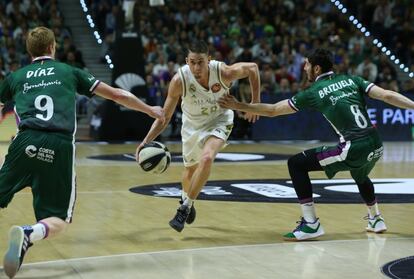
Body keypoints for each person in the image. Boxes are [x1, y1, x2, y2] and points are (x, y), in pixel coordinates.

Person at [0, 26, 164, 278]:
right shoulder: (69, 72)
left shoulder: (15, 77)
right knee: (58, 220)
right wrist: (149, 110)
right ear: (53, 47)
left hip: (24, 141)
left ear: (28, 51)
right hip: (59, 147)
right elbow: (117, 95)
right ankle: (30, 234)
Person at [218, 48, 414, 241]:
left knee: (296, 164)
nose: (304, 68)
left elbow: (274, 110)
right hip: (376, 144)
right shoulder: (352, 79)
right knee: (359, 173)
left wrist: (238, 105)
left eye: (307, 64)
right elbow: (388, 95)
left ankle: (311, 224)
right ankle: (376, 219)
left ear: (317, 69)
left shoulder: (314, 92)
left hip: (353, 147)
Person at [136, 40, 260, 232]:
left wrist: (255, 103)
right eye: (192, 62)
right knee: (189, 171)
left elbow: (252, 68)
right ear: (187, 60)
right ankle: (187, 198)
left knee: (207, 158)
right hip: (192, 126)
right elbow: (165, 117)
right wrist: (145, 141)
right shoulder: (179, 80)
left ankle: (184, 209)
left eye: (200, 62)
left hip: (220, 119)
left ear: (209, 60)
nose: (196, 67)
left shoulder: (223, 72)